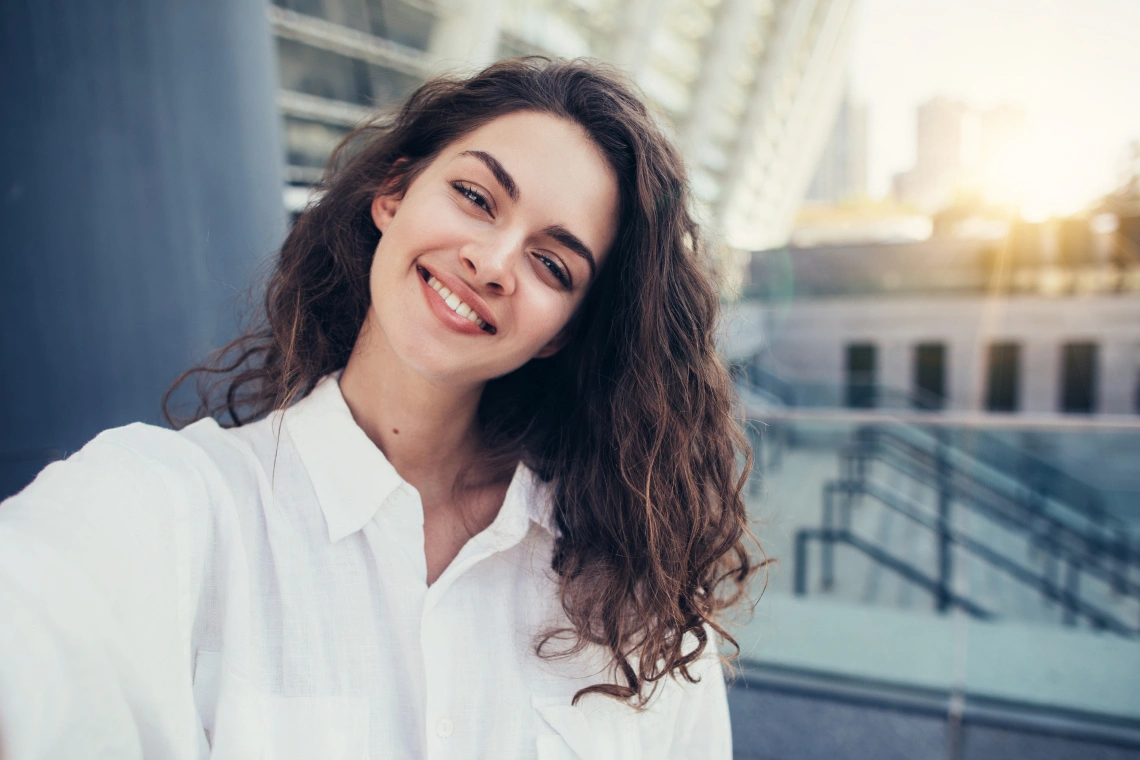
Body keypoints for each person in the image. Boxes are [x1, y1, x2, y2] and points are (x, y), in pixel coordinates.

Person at [0, 56, 761, 759]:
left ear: (561, 336)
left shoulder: (633, 601)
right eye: (474, 196)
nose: (492, 263)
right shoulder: (171, 509)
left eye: (552, 264)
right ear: (392, 195)